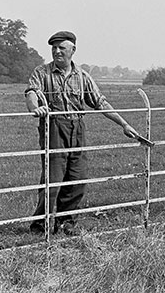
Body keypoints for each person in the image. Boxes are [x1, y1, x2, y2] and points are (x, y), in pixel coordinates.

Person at [25, 31, 140, 235]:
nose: (57, 51)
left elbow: (100, 102)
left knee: (77, 178)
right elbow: (32, 92)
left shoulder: (82, 76)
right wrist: (35, 108)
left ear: (73, 50)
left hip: (77, 128)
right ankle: (40, 224)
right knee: (53, 178)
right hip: (54, 127)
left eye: (62, 47)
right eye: (54, 48)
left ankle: (65, 223)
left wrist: (124, 124)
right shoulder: (42, 73)